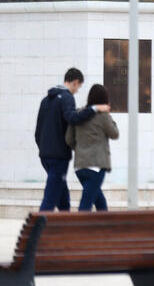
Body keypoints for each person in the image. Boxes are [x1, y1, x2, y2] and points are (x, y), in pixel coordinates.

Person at [35, 67, 110, 211]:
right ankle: (38, 230)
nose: (77, 90)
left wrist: (43, 148)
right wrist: (94, 109)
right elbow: (73, 118)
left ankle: (65, 222)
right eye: (79, 87)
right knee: (50, 197)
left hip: (45, 155)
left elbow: (38, 131)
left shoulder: (46, 100)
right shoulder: (67, 97)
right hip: (58, 156)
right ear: (75, 82)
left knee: (62, 194)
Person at [65, 83, 119, 211]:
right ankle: (81, 229)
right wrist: (109, 117)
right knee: (86, 203)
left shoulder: (78, 114)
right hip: (96, 166)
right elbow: (114, 133)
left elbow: (69, 139)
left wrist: (80, 149)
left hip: (80, 166)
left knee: (99, 200)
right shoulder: (103, 116)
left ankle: (105, 228)